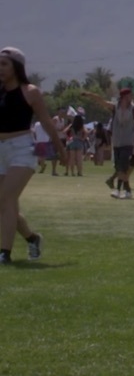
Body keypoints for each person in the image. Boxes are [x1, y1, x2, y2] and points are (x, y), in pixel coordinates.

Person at [0, 48, 62, 264]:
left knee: (6, 199)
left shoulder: (30, 91)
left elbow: (46, 121)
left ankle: (4, 253)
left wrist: (60, 149)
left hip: (23, 148)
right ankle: (32, 238)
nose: (0, 69)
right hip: (1, 150)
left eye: (4, 64)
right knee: (4, 204)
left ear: (16, 67)